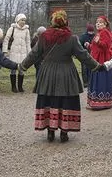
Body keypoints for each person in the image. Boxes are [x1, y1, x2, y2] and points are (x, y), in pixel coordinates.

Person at [19, 9, 101, 142]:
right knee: (66, 101)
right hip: (66, 73)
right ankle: (64, 132)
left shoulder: (44, 36)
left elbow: (34, 54)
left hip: (48, 72)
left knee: (48, 99)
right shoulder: (72, 38)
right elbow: (83, 56)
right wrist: (97, 66)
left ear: (52, 21)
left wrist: (22, 66)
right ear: (65, 21)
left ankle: (50, 131)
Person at [87, 15, 112, 110]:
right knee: (97, 79)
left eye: (100, 22)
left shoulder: (105, 32)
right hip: (97, 58)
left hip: (102, 60)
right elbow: (95, 47)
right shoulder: (99, 33)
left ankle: (101, 103)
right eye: (97, 22)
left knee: (101, 80)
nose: (98, 24)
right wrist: (89, 45)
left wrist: (98, 42)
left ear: (105, 24)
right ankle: (98, 102)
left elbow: (106, 46)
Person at [2, 13, 31, 93]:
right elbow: (6, 39)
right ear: (18, 20)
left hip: (23, 53)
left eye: (24, 20)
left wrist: (29, 53)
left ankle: (20, 87)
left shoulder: (26, 30)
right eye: (22, 20)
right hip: (13, 52)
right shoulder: (12, 28)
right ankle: (13, 87)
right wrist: (5, 51)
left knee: (21, 69)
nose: (23, 22)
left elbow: (28, 42)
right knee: (13, 69)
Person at [79, 23, 95, 88]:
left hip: (93, 55)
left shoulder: (95, 36)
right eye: (89, 31)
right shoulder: (83, 36)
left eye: (92, 31)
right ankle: (85, 83)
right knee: (84, 69)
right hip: (85, 56)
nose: (91, 33)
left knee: (92, 69)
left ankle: (92, 82)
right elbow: (79, 45)